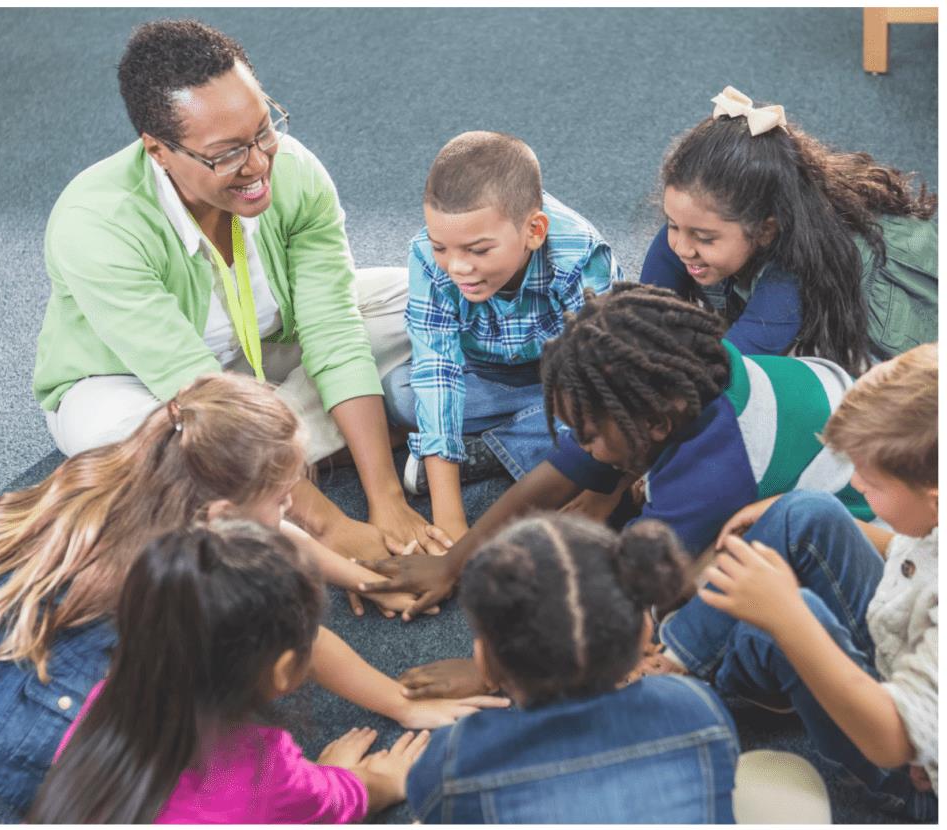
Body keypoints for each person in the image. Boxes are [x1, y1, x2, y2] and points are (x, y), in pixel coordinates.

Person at [0, 373, 507, 812]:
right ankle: (4, 756)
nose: (293, 511)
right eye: (284, 496)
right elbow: (282, 786)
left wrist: (361, 576)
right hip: (41, 729)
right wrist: (369, 774)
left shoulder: (150, 467)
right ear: (224, 514)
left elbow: (268, 532)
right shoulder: (197, 591)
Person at [31, 18, 441, 559]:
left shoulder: (293, 169)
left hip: (261, 353)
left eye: (264, 129)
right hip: (142, 385)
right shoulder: (95, 224)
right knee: (139, 442)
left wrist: (386, 498)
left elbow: (333, 328)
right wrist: (334, 529)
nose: (259, 163)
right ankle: (300, 454)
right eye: (227, 153)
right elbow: (200, 393)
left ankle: (277, 458)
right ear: (158, 150)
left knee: (421, 296)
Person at [359, 284, 872, 630]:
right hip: (827, 417)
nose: (577, 447)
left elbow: (630, 594)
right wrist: (453, 562)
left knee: (689, 614)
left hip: (863, 528)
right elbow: (554, 478)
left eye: (587, 434)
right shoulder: (682, 382)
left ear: (655, 425)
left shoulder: (712, 472)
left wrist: (489, 672)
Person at [652, 342, 938, 820]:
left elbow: (892, 742)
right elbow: (912, 554)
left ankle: (678, 701)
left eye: (871, 481)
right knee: (808, 510)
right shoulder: (931, 517)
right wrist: (786, 512)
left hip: (911, 765)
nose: (859, 486)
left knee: (776, 623)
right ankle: (677, 658)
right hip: (898, 644)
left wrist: (789, 616)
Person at [28, 521, 431, 823]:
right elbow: (337, 803)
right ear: (285, 670)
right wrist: (382, 781)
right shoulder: (264, 771)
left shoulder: (104, 700)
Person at [406, 512, 741, 823]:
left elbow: (427, 800)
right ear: (644, 634)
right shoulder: (696, 704)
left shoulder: (458, 758)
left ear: (486, 664)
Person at [382, 131, 623, 542]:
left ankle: (492, 448)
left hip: (563, 379)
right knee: (401, 394)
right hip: (483, 373)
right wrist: (450, 521)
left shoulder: (580, 255)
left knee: (607, 425)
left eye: (478, 251)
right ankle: (517, 445)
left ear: (534, 230)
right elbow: (436, 368)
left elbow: (601, 380)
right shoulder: (426, 255)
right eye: (443, 247)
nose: (457, 267)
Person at [640, 85, 937, 375]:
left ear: (766, 230)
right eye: (673, 224)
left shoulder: (793, 276)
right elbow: (644, 314)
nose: (682, 247)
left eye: (704, 238)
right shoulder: (692, 230)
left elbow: (724, 371)